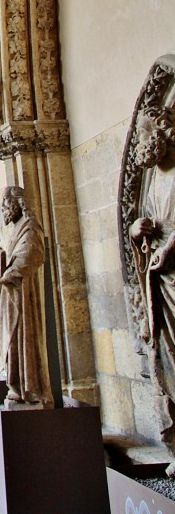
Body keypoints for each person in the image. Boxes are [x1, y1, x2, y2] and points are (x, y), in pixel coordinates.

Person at [129, 104, 175, 475]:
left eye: (144, 136)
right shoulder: (153, 180)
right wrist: (135, 231)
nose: (141, 144)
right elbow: (148, 223)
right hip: (161, 286)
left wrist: (168, 249)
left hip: (170, 272)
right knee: (166, 360)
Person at [0, 186, 52, 405]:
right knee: (9, 341)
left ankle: (30, 386)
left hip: (23, 294)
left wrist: (6, 276)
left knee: (21, 337)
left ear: (17, 204)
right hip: (11, 294)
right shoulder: (15, 229)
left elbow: (30, 255)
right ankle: (15, 384)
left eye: (6, 204)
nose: (4, 209)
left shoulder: (30, 226)